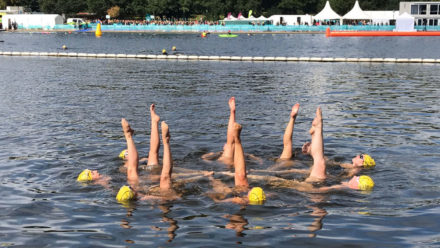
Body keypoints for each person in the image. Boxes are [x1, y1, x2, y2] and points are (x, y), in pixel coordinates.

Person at [206, 122, 266, 205]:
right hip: (251, 198)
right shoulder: (249, 197)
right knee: (241, 176)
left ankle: (210, 178)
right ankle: (237, 140)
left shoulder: (239, 200)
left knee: (228, 186)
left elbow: (219, 202)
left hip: (240, 197)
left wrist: (212, 197)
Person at [202, 97, 262, 166]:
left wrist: (217, 153)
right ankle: (232, 113)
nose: (224, 145)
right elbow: (253, 157)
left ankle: (232, 112)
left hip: (226, 162)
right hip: (238, 161)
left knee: (230, 144)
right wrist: (258, 160)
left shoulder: (222, 153)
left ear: (223, 147)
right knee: (233, 144)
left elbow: (204, 158)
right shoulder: (242, 153)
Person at [119, 104, 161, 168]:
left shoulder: (142, 159)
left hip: (151, 167)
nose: (130, 152)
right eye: (127, 153)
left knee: (153, 153)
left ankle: (154, 121)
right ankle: (154, 122)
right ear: (124, 158)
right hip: (147, 173)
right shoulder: (124, 166)